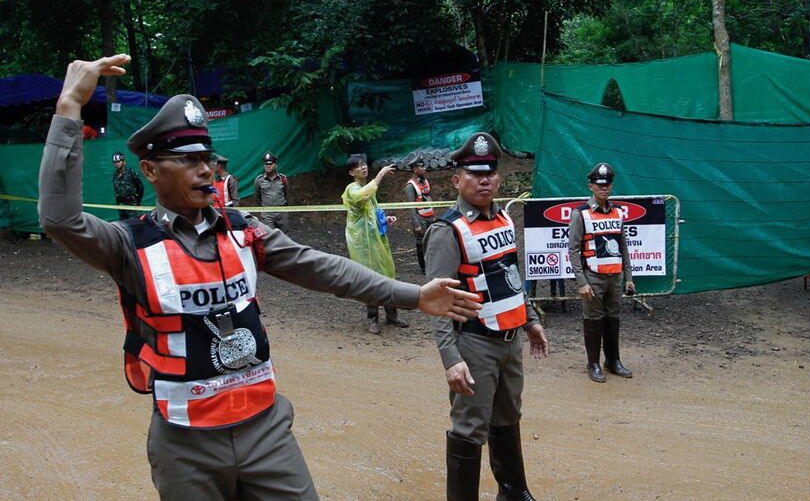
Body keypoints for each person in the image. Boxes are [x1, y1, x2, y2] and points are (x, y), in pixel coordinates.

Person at [38, 54, 482, 501]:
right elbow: (60, 219)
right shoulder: (127, 245)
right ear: (150, 170)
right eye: (188, 159)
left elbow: (323, 268)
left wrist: (413, 294)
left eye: (207, 158)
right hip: (185, 444)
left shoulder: (244, 230)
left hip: (266, 432)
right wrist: (69, 108)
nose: (206, 169)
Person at [424, 132, 548, 501]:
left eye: (490, 173)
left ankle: (513, 492)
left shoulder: (504, 220)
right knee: (469, 428)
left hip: (510, 342)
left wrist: (531, 318)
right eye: (474, 173)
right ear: (456, 179)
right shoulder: (447, 230)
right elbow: (438, 302)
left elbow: (511, 278)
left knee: (508, 419)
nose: (484, 180)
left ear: (499, 177)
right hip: (474, 342)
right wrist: (451, 358)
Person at [567, 162, 636, 383]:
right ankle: (593, 364)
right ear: (590, 187)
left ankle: (613, 361)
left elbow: (623, 246)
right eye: (599, 185)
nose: (604, 188)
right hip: (593, 278)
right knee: (593, 319)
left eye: (607, 185)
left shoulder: (617, 212)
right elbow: (573, 249)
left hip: (615, 277)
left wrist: (629, 277)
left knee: (613, 319)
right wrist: (581, 282)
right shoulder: (581, 214)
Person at [342, 156, 408, 334]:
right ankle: (372, 319)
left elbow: (372, 214)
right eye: (358, 166)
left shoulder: (369, 190)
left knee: (387, 275)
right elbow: (362, 197)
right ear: (351, 172)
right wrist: (381, 174)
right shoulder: (352, 189)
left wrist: (385, 219)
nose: (363, 167)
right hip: (363, 244)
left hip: (377, 239)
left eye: (364, 164)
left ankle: (392, 315)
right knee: (370, 279)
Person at [404, 155, 436, 274]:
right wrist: (416, 224)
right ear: (415, 169)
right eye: (421, 167)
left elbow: (428, 198)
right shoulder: (410, 186)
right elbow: (411, 207)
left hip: (430, 217)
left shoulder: (425, 181)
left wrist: (433, 216)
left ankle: (432, 264)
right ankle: (423, 267)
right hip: (420, 218)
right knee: (421, 244)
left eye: (424, 167)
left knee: (432, 242)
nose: (424, 169)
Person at [253, 151, 288, 231]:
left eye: (270, 164)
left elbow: (286, 194)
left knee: (284, 237)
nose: (268, 166)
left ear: (276, 165)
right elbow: (257, 197)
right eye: (266, 164)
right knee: (269, 236)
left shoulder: (283, 179)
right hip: (267, 213)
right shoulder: (259, 180)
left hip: (282, 212)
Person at [111, 151, 144, 220]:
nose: (116, 164)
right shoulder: (115, 175)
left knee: (135, 224)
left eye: (118, 161)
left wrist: (137, 199)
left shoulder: (130, 172)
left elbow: (140, 187)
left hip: (132, 205)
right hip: (121, 205)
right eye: (114, 162)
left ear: (123, 162)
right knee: (124, 225)